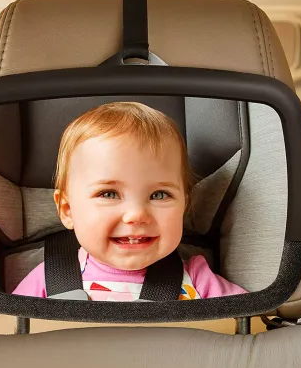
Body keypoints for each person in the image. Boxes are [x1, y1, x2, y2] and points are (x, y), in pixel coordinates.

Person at [13, 102, 246, 301]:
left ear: (183, 207)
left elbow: (254, 328)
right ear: (67, 210)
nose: (136, 214)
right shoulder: (48, 281)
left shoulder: (198, 281)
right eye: (109, 194)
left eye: (159, 194)